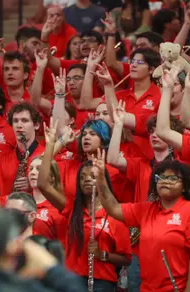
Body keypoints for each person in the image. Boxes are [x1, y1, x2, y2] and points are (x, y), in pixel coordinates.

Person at [38, 121, 132, 290]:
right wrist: (51, 145)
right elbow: (43, 185)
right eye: (82, 177)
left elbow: (127, 259)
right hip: (73, 280)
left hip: (103, 283)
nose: (87, 179)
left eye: (92, 176)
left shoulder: (115, 214)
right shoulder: (72, 209)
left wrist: (103, 255)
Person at [98, 149, 190, 292]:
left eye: (172, 178)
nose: (164, 181)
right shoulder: (146, 210)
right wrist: (101, 177)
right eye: (161, 177)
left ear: (184, 187)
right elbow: (112, 208)